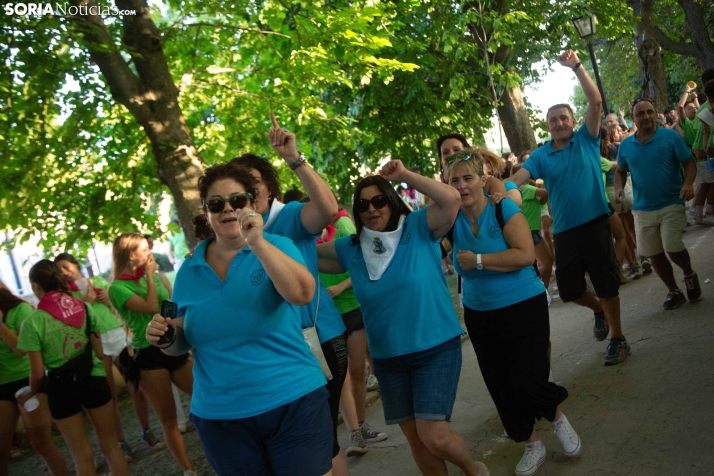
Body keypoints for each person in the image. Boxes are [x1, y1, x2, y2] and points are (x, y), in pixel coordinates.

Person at [144, 163, 333, 476]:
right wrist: (164, 336)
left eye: (238, 200)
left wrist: (257, 242)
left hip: (292, 401)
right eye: (217, 204)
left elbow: (302, 294)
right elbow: (177, 342)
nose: (228, 209)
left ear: (253, 203)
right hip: (221, 418)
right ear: (206, 212)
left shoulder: (277, 246)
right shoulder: (187, 273)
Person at [318, 162, 488, 476]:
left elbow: (451, 199)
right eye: (363, 204)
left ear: (392, 201)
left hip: (435, 348)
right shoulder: (351, 248)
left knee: (434, 436)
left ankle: (472, 468)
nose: (372, 209)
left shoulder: (418, 226)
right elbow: (300, 252)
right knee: (415, 439)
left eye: (379, 200)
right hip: (387, 358)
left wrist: (404, 176)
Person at [229, 112, 351, 475]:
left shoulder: (289, 217)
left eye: (254, 184)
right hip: (280, 350)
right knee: (318, 442)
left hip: (320, 339)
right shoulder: (236, 238)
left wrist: (293, 158)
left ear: (269, 186)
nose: (248, 193)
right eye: (240, 188)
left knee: (320, 442)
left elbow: (329, 209)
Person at [444, 150, 580, 476]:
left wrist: (477, 262)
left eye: (468, 178)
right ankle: (531, 443)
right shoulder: (449, 219)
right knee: (500, 385)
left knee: (527, 380)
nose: (462, 186)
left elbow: (524, 255)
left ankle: (556, 417)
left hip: (523, 305)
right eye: (454, 181)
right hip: (480, 313)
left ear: (482, 179)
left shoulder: (502, 206)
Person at [509, 50, 630, 366]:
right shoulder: (540, 156)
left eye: (564, 118)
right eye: (553, 120)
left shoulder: (586, 139)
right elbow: (517, 179)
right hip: (564, 233)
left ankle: (617, 338)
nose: (559, 123)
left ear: (573, 121)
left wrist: (576, 66)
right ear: (547, 126)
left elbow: (595, 101)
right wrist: (503, 191)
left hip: (595, 223)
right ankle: (597, 310)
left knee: (606, 284)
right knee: (570, 290)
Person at [17, 260, 130, 476]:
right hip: (94, 378)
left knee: (81, 456)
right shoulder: (85, 308)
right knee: (111, 447)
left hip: (61, 389)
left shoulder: (33, 322)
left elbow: (38, 373)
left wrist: (31, 392)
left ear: (35, 286)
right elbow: (99, 353)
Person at [108, 234, 196, 476]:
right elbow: (148, 307)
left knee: (203, 396)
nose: (150, 254)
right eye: (145, 249)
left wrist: (173, 318)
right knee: (168, 417)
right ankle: (188, 470)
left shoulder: (154, 276)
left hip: (172, 345)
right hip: (147, 353)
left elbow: (170, 302)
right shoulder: (117, 287)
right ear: (131, 254)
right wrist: (149, 276)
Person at [615, 98, 702, 309]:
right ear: (634, 118)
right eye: (640, 114)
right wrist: (619, 187)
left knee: (672, 247)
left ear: (655, 114)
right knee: (653, 253)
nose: (646, 117)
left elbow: (689, 163)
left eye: (649, 112)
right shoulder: (626, 145)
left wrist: (688, 183)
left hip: (671, 201)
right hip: (643, 208)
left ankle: (689, 274)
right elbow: (620, 171)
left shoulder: (670, 137)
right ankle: (674, 290)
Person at [318, 207, 388, 457]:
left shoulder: (342, 234)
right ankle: (354, 432)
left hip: (351, 310)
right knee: (339, 378)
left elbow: (358, 268)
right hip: (325, 321)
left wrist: (340, 286)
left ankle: (361, 426)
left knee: (357, 371)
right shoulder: (302, 246)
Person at [54, 253, 136, 461]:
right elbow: (74, 324)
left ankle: (146, 430)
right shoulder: (65, 296)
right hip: (96, 344)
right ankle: (120, 442)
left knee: (136, 384)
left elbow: (119, 307)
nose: (64, 272)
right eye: (59, 270)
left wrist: (109, 300)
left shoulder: (97, 282)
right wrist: (86, 302)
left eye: (66, 266)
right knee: (110, 398)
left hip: (117, 335)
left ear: (74, 264)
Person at [0, 288, 67, 476]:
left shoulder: (20, 309)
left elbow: (21, 349)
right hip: (2, 385)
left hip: (28, 382)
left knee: (42, 444)